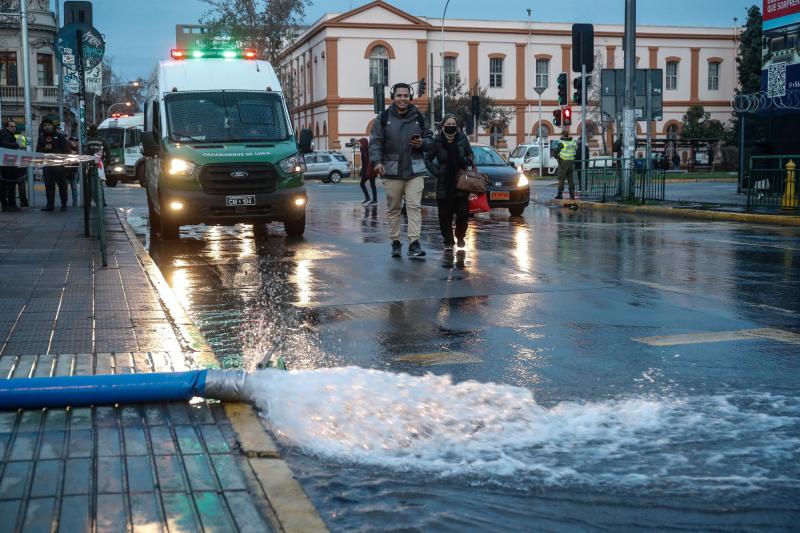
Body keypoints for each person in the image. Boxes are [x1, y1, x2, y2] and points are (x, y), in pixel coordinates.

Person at [368, 82, 433, 258]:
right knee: (394, 208)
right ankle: (395, 241)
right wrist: (377, 162)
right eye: (399, 96)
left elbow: (430, 140)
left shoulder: (419, 116)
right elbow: (375, 142)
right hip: (391, 171)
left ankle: (414, 243)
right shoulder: (383, 118)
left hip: (415, 170)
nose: (402, 99)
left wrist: (422, 143)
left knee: (414, 207)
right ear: (393, 97)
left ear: (410, 97)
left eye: (405, 96)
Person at [424, 113, 473, 251]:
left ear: (457, 126)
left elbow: (469, 153)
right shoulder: (437, 141)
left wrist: (469, 159)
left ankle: (460, 236)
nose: (451, 126)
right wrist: (436, 172)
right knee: (445, 216)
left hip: (460, 181)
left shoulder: (462, 138)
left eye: (453, 124)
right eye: (448, 124)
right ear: (443, 126)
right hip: (444, 183)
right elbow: (427, 159)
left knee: (463, 213)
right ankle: (448, 242)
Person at [36, 118, 69, 211]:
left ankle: (63, 205)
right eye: (44, 125)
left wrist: (65, 165)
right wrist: (44, 148)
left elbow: (66, 150)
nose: (46, 127)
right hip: (47, 166)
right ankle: (50, 205)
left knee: (62, 186)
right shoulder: (41, 138)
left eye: (48, 125)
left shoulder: (59, 136)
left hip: (59, 166)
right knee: (49, 186)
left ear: (52, 126)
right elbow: (38, 152)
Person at [0, 120, 21, 211]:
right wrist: (16, 145)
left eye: (15, 126)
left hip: (6, 164)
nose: (14, 128)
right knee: (10, 185)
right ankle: (10, 204)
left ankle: (6, 204)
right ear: (7, 127)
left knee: (5, 185)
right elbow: (4, 144)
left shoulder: (6, 134)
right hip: (8, 165)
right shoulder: (6, 135)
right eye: (12, 126)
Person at [553, 133, 577, 199]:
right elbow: (575, 152)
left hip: (563, 163)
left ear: (563, 136)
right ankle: (572, 195)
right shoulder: (573, 143)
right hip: (571, 163)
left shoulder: (562, 143)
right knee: (570, 179)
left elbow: (554, 152)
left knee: (561, 178)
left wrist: (558, 157)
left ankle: (560, 194)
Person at [358, 137, 377, 205]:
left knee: (371, 185)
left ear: (364, 143)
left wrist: (367, 171)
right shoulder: (362, 150)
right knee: (364, 184)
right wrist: (362, 171)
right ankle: (369, 198)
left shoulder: (368, 151)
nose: (359, 144)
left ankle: (373, 199)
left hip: (370, 170)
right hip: (366, 170)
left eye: (360, 143)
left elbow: (370, 162)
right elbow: (364, 163)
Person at [13, 129, 28, 207]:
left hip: (12, 163)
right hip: (22, 163)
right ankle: (23, 201)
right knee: (21, 183)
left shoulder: (11, 137)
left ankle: (12, 202)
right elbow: (25, 148)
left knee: (11, 184)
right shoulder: (23, 137)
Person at [65, 137, 80, 207]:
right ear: (70, 141)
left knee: (74, 189)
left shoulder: (78, 149)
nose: (74, 142)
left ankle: (75, 204)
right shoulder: (66, 148)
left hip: (74, 171)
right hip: (66, 171)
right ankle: (64, 203)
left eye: (76, 141)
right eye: (73, 140)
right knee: (65, 189)